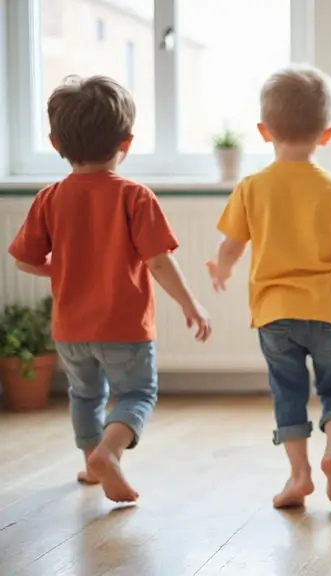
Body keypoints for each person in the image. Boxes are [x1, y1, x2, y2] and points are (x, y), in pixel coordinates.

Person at [7, 75, 211, 503]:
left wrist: (60, 272)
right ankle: (110, 452)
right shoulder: (135, 196)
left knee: (84, 393)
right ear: (127, 142)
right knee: (137, 392)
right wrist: (191, 304)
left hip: (71, 329)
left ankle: (90, 462)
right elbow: (158, 261)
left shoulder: (49, 198)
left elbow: (25, 259)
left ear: (55, 143)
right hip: (125, 327)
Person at [206, 64, 331, 509]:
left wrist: (221, 270)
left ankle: (299, 474)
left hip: (274, 313)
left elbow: (231, 246)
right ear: (327, 133)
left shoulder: (251, 187)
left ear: (264, 131)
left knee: (289, 392)